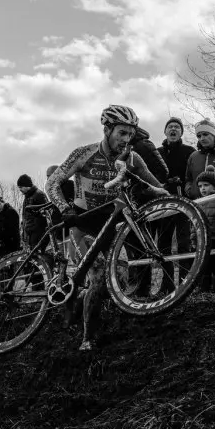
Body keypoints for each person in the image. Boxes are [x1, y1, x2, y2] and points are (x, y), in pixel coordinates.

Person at [46, 105, 165, 351]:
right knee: (99, 274)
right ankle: (87, 338)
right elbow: (52, 182)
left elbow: (155, 185)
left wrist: (171, 193)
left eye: (130, 134)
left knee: (118, 278)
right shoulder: (84, 153)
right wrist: (63, 207)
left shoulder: (132, 158)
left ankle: (82, 303)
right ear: (107, 129)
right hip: (83, 224)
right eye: (121, 132)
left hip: (111, 224)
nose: (126, 139)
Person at [156, 116, 195, 292]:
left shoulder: (189, 151)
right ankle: (167, 284)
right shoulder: (157, 152)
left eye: (177, 127)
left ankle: (186, 282)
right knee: (162, 244)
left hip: (183, 202)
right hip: (162, 203)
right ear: (165, 131)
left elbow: (193, 176)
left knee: (184, 243)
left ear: (181, 132)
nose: (173, 129)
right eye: (170, 126)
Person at [194, 166, 215, 292]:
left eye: (206, 185)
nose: (202, 188)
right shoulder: (198, 202)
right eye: (200, 186)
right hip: (202, 239)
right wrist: (194, 236)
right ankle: (204, 289)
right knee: (204, 266)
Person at [184, 119, 215, 199]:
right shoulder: (193, 156)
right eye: (199, 136)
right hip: (197, 203)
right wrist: (190, 191)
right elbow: (188, 179)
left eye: (205, 134)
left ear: (214, 135)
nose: (202, 138)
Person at [17, 174, 48, 249]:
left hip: (39, 233)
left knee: (40, 256)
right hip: (30, 233)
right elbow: (25, 216)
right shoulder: (27, 197)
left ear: (27, 185)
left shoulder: (39, 195)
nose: (20, 189)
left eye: (21, 187)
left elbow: (47, 213)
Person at [0, 197, 21, 263]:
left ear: (3, 202)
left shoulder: (10, 212)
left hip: (10, 246)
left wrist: (2, 239)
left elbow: (12, 231)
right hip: (0, 247)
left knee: (11, 265)